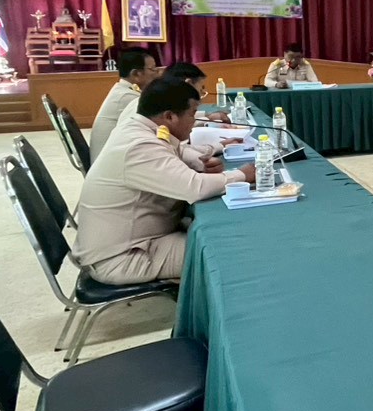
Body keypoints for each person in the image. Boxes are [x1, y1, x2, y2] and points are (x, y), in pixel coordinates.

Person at [74, 79, 254, 285]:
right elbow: (194, 188)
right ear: (169, 116)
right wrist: (243, 175)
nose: (195, 121)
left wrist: (199, 162)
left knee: (218, 231)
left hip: (138, 239)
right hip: (123, 257)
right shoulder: (138, 146)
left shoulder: (141, 128)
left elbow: (174, 155)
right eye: (192, 114)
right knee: (229, 249)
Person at [119, 63, 241, 173]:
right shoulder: (148, 110)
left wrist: (217, 147)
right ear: (188, 84)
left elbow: (177, 148)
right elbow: (192, 183)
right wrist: (203, 161)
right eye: (201, 89)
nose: (201, 94)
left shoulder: (157, 99)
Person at [89, 48, 161, 161]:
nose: (158, 74)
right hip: (111, 163)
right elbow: (157, 128)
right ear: (136, 74)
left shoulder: (123, 90)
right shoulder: (128, 98)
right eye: (153, 69)